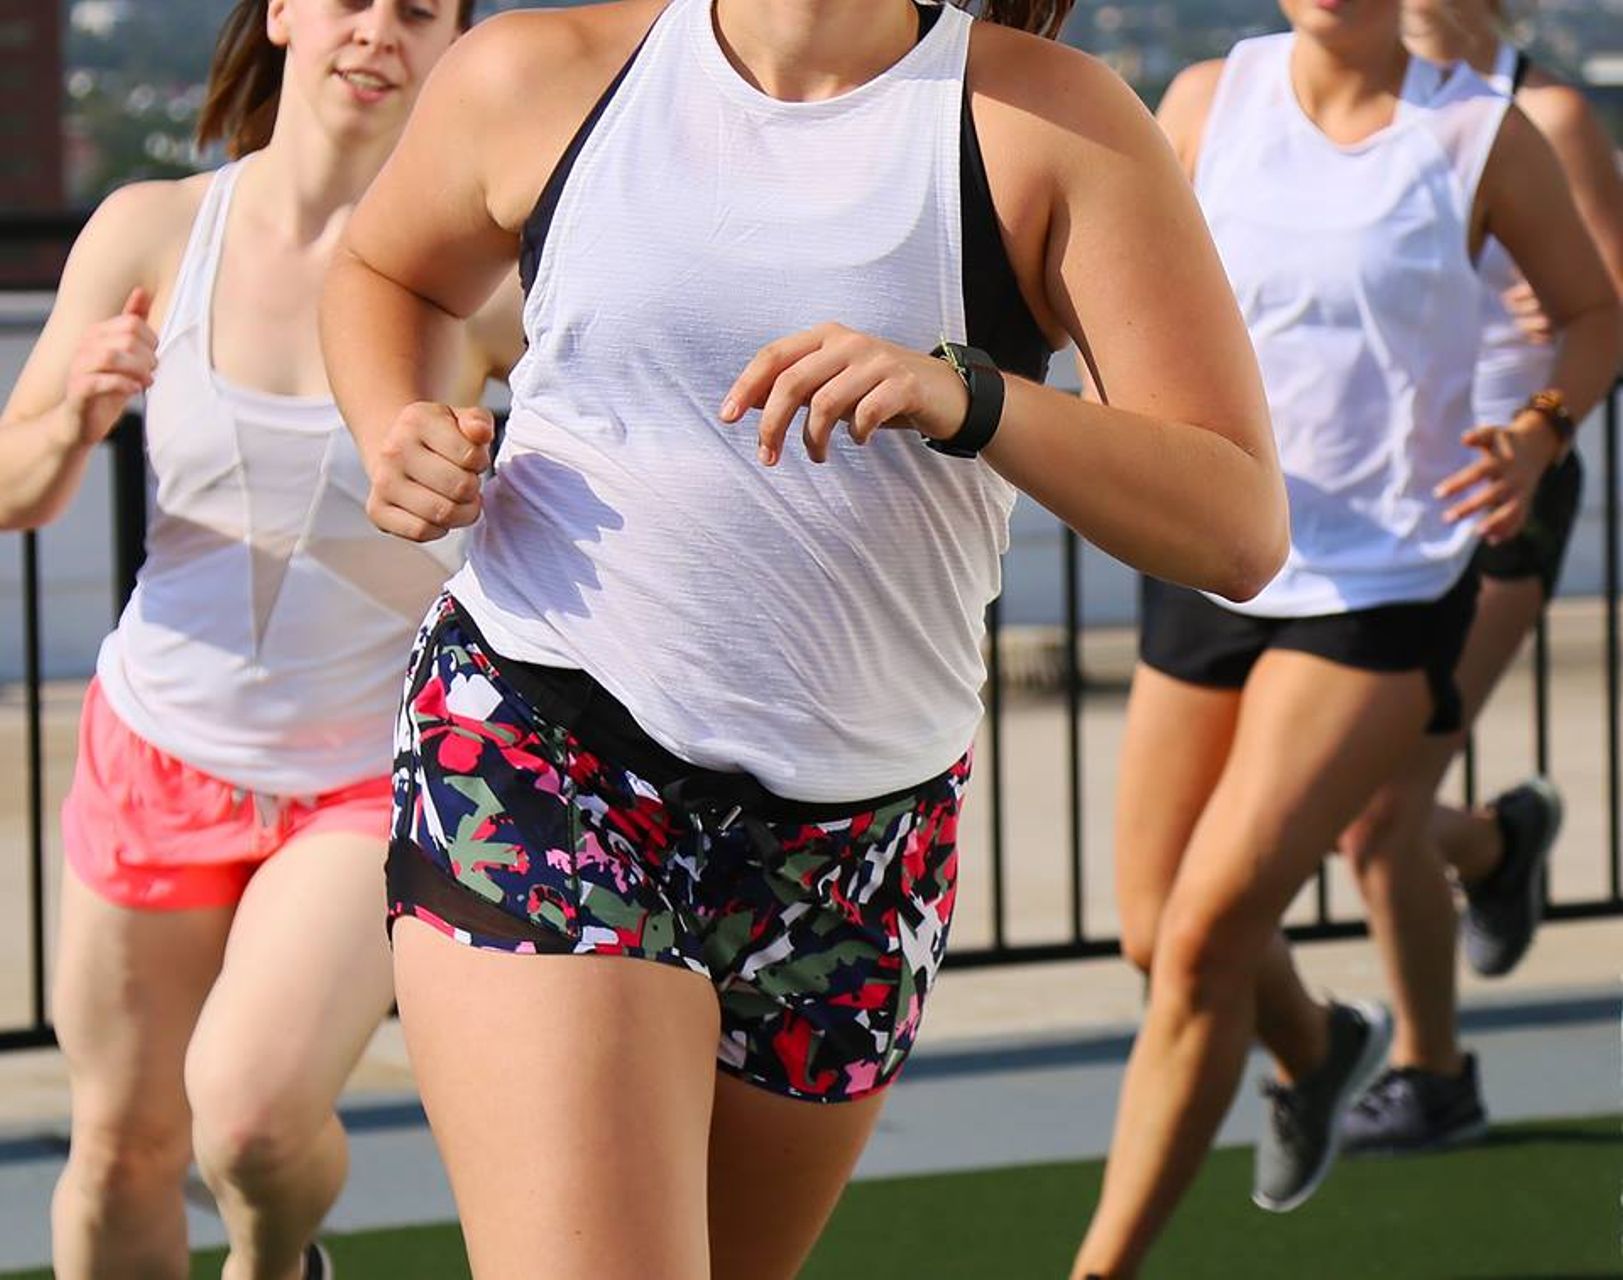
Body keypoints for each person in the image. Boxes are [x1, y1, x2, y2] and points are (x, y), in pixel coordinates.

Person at [319, 0, 1290, 1274]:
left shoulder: (1048, 121)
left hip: (860, 847)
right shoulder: (538, 71)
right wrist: (399, 422)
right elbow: (384, 269)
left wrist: (973, 397)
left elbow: (1237, 523)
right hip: (546, 752)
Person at [1081, 0, 1620, 1272]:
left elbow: (1594, 313)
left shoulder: (1483, 135)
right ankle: (1322, 1049)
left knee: (1209, 936)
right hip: (1215, 551)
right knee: (1155, 932)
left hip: (1384, 579)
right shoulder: (1207, 101)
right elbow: (1121, 296)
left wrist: (1540, 428)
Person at [0, 2, 518, 1276]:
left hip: (356, 775)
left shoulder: (496, 282)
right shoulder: (153, 229)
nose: (378, 30)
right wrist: (75, 412)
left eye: (420, 12)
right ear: (283, 11)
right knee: (122, 1143)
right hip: (155, 751)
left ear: (453, 46)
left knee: (250, 1119)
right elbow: (14, 485)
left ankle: (279, 1261)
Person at [1341, 0, 1623, 1156]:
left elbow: (1607, 302)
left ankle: (1431, 1073)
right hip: (1365, 510)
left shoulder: (1542, 111)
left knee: (1374, 809)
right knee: (1355, 802)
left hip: (1500, 492)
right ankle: (1497, 847)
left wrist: (1541, 416)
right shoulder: (1356, 107)